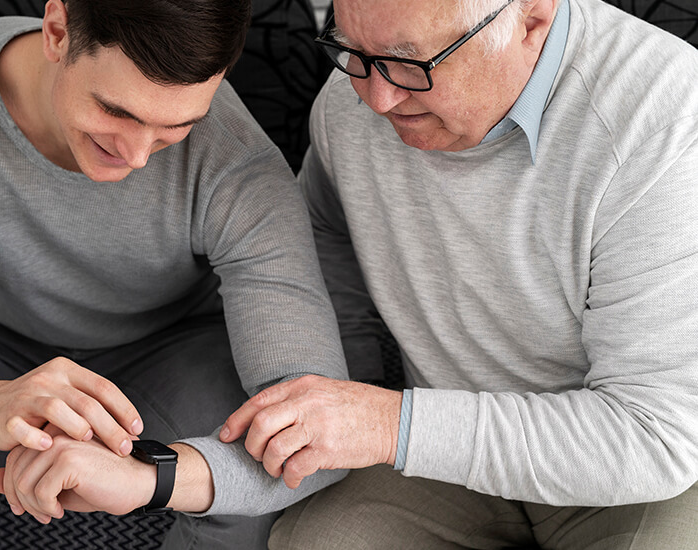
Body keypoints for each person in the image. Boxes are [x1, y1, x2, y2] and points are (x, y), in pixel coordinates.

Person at [0, 0, 350, 548]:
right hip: (6, 344)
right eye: (117, 112)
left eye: (177, 126)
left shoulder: (240, 166)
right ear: (57, 32)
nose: (139, 156)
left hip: (182, 352)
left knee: (255, 477)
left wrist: (158, 478)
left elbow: (316, 430)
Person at [220, 0, 698, 547]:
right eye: (351, 48)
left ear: (531, 21)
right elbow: (324, 234)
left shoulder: (666, 125)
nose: (377, 99)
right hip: (441, 440)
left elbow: (654, 436)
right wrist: (353, 389)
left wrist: (386, 423)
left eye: (410, 63)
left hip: (641, 464)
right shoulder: (350, 100)